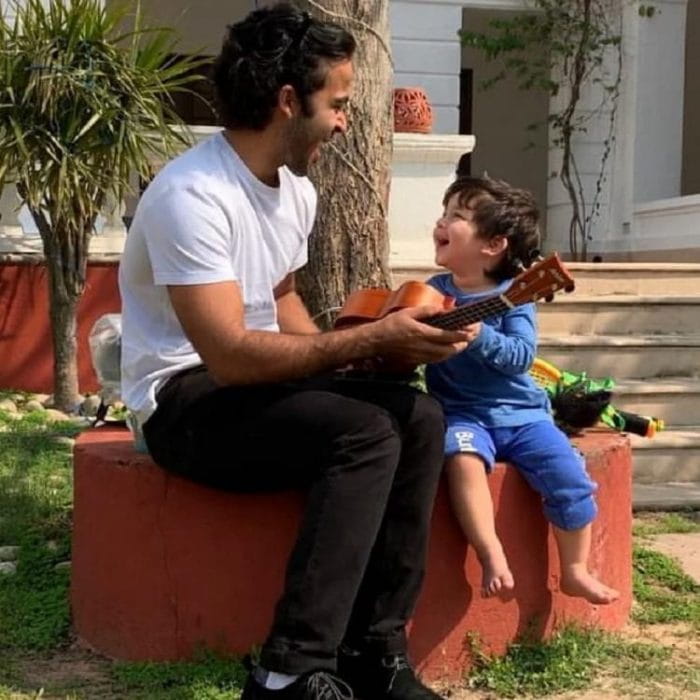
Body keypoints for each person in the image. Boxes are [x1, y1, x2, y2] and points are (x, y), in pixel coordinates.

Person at [118, 4, 470, 699]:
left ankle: (376, 650)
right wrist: (364, 338)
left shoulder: (296, 193)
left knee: (417, 416)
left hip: (250, 387)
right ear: (288, 101)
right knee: (364, 433)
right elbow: (230, 358)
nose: (346, 121)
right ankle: (289, 670)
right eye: (338, 104)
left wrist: (357, 357)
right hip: (183, 403)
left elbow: (277, 300)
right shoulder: (192, 195)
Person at [425, 176, 620, 605]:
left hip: (523, 416)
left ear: (492, 245)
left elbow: (520, 357)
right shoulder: (432, 291)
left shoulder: (518, 295)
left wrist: (479, 335)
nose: (441, 221)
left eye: (456, 216)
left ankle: (574, 570)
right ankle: (490, 552)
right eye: (444, 212)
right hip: (461, 413)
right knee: (463, 461)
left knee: (569, 475)